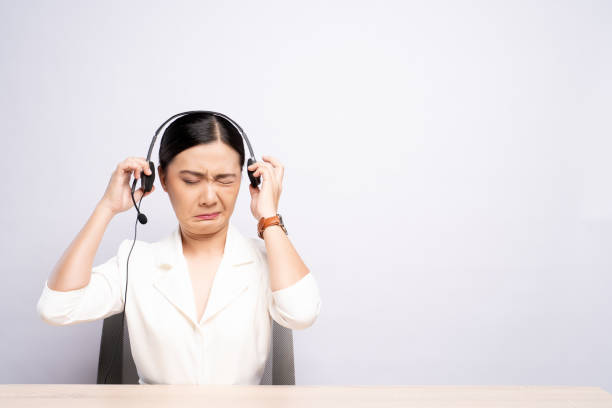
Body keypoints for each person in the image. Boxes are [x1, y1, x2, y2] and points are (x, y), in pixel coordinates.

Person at [36, 112, 322, 384]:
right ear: (161, 178)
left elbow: (302, 313)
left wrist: (268, 216)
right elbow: (57, 308)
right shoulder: (136, 262)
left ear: (249, 180)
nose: (209, 197)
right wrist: (107, 207)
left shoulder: (267, 262)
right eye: (191, 181)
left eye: (225, 180)